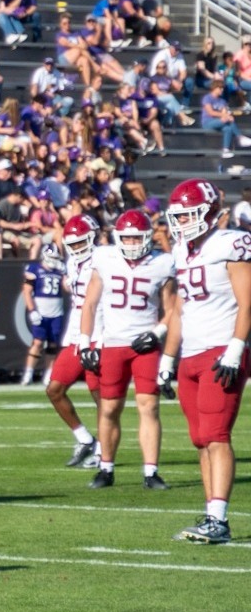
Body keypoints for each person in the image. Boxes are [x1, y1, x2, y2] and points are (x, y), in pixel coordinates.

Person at [161, 179, 251, 543]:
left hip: (220, 350)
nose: (182, 222)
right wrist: (168, 356)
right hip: (191, 354)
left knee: (216, 435)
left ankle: (219, 518)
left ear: (210, 213)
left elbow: (248, 302)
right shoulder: (182, 251)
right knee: (200, 439)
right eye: (178, 216)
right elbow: (181, 309)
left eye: (189, 214)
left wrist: (236, 347)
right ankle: (211, 514)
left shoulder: (230, 242)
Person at [78, 209, 174, 491]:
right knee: (108, 409)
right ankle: (106, 468)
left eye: (137, 238)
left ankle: (151, 471)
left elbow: (172, 310)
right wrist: (85, 343)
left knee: (150, 407)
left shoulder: (162, 263)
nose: (132, 243)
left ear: (147, 238)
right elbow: (90, 304)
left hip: (144, 346)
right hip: (113, 344)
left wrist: (157, 333)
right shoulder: (105, 259)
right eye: (127, 238)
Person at [44, 217, 104, 467]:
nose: (78, 248)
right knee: (54, 389)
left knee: (100, 396)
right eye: (74, 243)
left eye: (82, 242)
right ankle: (84, 437)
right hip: (76, 335)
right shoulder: (72, 262)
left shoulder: (106, 259)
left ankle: (103, 450)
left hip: (100, 334)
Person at [21, 240, 70, 386]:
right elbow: (27, 291)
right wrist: (32, 310)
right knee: (37, 342)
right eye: (53, 258)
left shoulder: (60, 270)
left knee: (53, 345)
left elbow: (67, 289)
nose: (55, 261)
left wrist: (68, 276)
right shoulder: (34, 268)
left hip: (56, 313)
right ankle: (28, 373)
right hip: (41, 312)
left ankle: (48, 374)